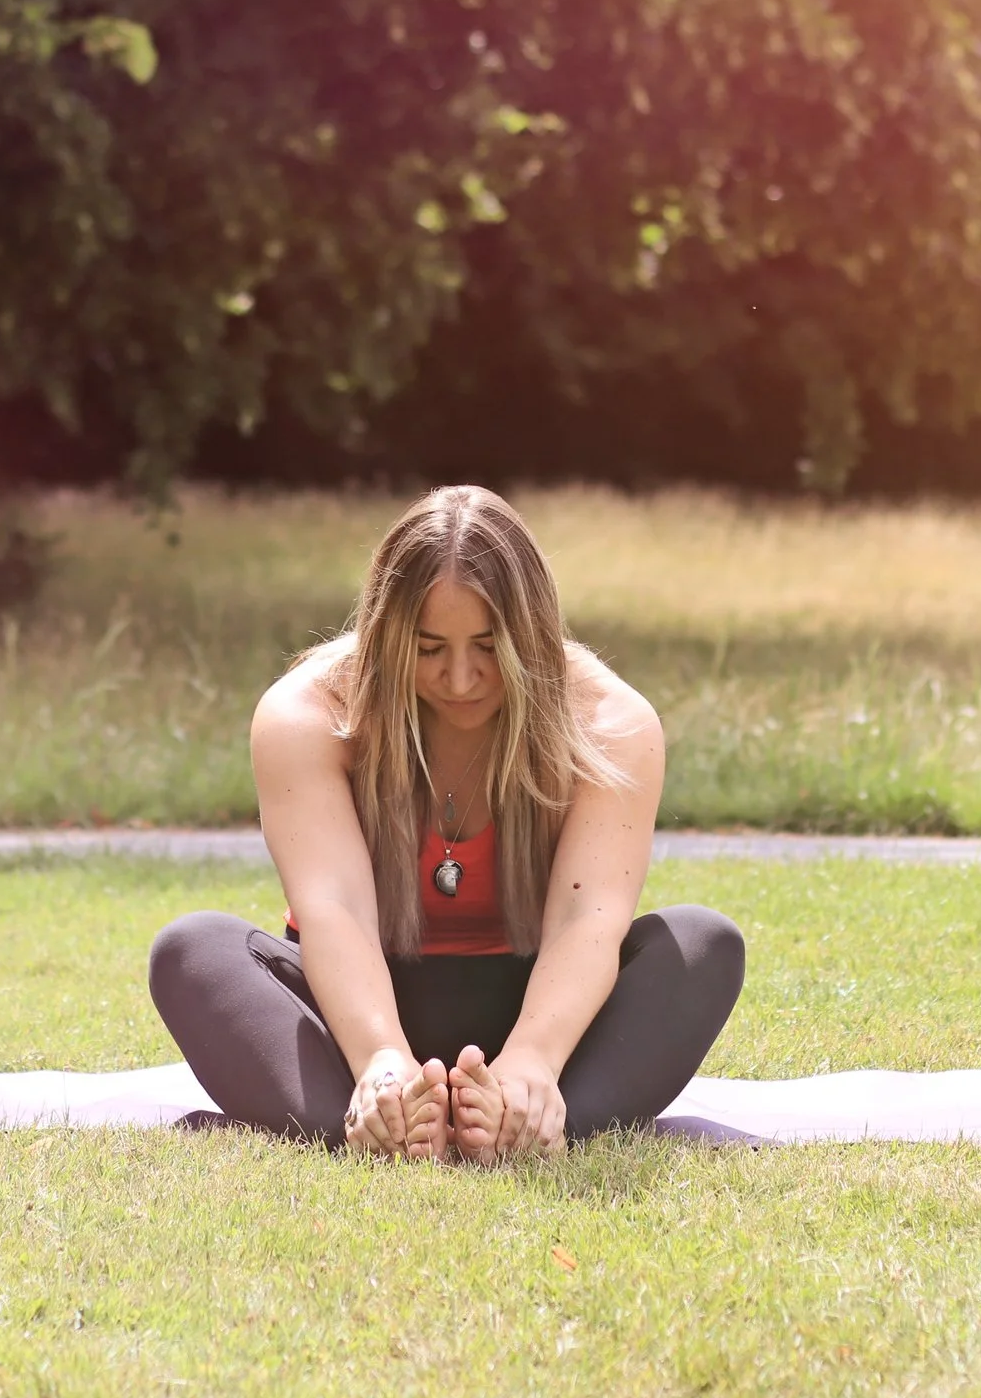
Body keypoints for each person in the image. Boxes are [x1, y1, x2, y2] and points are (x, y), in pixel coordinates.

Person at [148, 485, 745, 1160]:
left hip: (533, 1004)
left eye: (489, 645)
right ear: (386, 632)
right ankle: (412, 1120)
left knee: (703, 942)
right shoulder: (307, 712)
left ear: (532, 632)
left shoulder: (609, 720)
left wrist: (531, 1063)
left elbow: (589, 920)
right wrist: (379, 1059)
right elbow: (333, 909)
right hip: (357, 1008)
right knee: (190, 948)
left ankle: (510, 1116)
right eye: (429, 648)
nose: (461, 678)